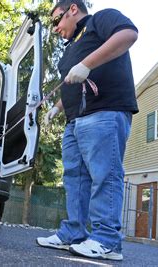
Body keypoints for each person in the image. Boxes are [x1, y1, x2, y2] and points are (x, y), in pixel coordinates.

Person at [36, 0, 138, 261]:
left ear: (72, 9)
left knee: (105, 174)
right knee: (74, 178)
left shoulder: (100, 20)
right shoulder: (71, 46)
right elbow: (73, 81)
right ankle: (73, 233)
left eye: (56, 20)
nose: (56, 28)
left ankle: (107, 241)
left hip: (104, 110)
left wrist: (87, 63)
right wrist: (57, 108)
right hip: (75, 120)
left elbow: (129, 34)